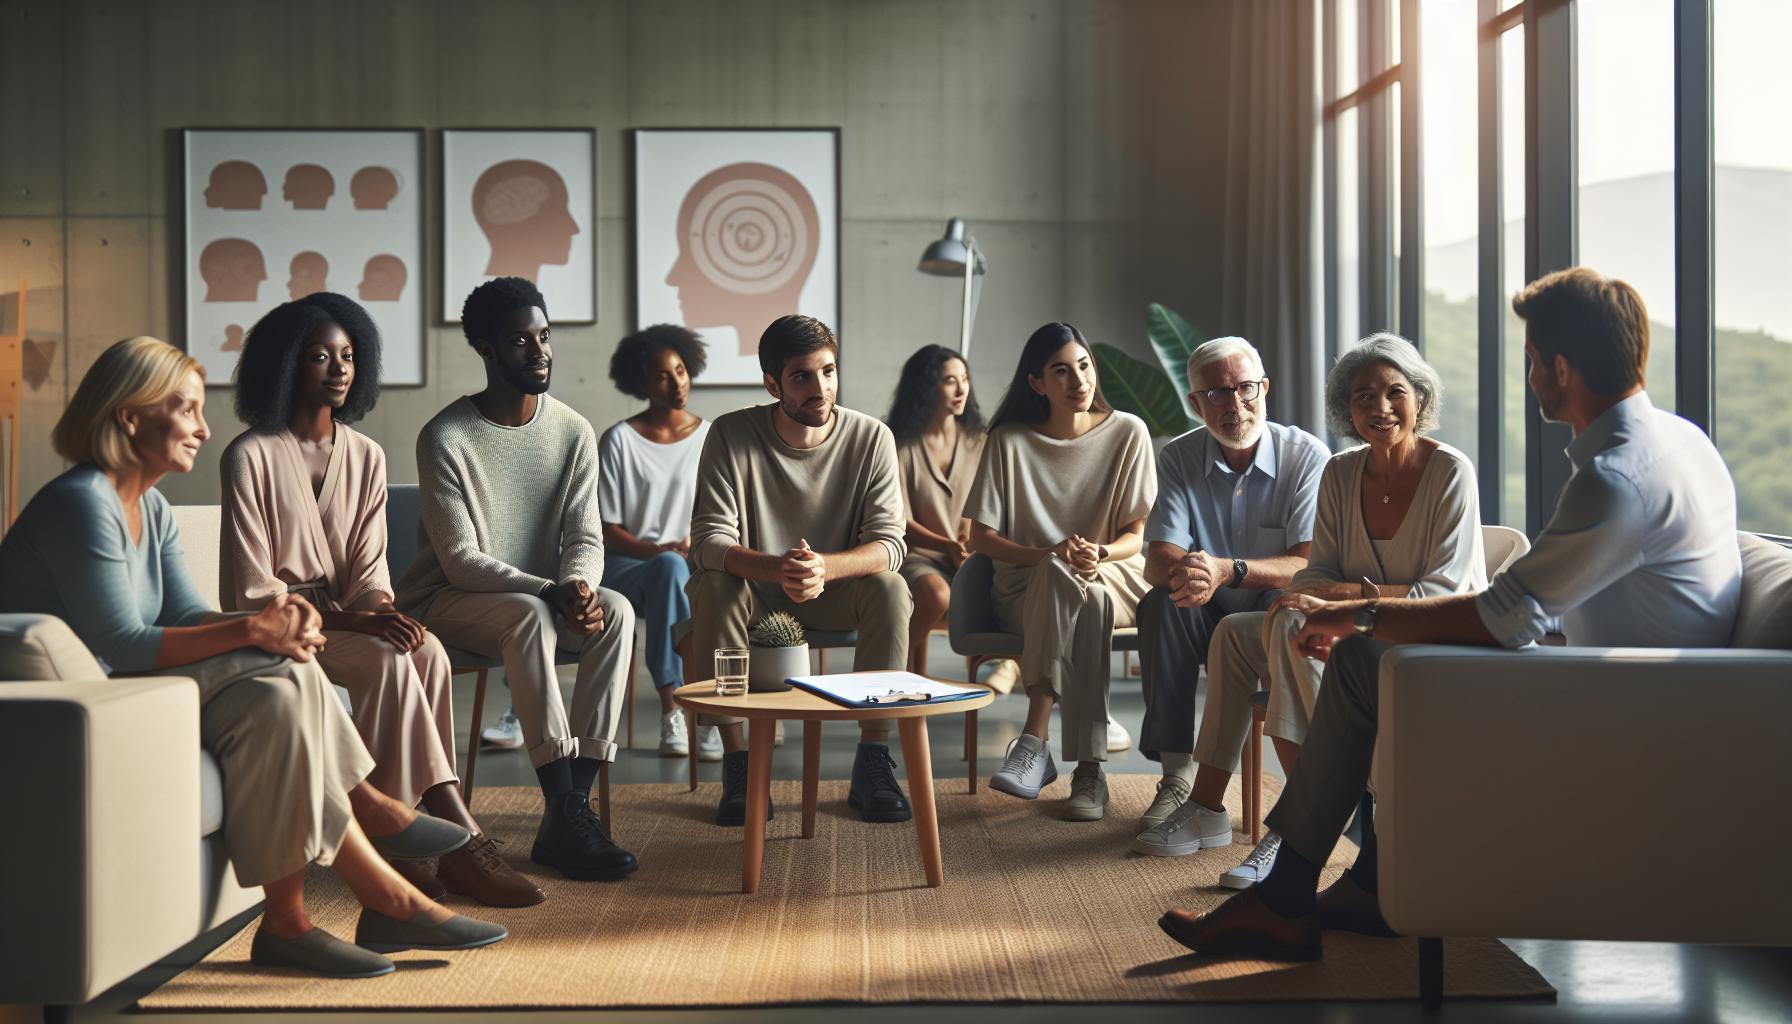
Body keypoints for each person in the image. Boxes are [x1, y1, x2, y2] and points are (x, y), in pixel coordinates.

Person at [1159, 267, 1742, 960]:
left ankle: (1286, 898)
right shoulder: (1679, 440)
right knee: (1361, 661)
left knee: (1358, 661)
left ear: (1560, 369)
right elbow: (1537, 604)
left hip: (1618, 705)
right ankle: (1367, 883)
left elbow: (1508, 617)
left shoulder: (1616, 477)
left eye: (1530, 361)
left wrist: (1362, 616)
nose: (1529, 376)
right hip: (1645, 682)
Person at [0, 337, 505, 979]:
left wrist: (271, 627)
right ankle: (378, 856)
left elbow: (183, 617)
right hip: (89, 705)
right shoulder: (82, 503)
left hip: (132, 691)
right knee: (280, 676)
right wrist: (256, 631)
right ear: (130, 416)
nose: (203, 428)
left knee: (284, 680)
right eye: (184, 409)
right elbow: (120, 643)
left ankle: (299, 920)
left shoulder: (149, 506)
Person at [219, 292, 543, 908]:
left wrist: (384, 614)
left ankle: (401, 838)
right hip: (283, 631)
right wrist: (355, 624)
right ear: (286, 364)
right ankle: (457, 833)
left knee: (429, 653)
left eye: (347, 355)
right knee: (389, 662)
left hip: (349, 618)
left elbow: (370, 568)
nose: (338, 368)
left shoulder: (366, 455)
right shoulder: (249, 457)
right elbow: (252, 592)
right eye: (319, 356)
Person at [1138, 333, 1485, 886]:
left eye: (1394, 392)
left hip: (1422, 635)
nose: (1379, 407)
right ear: (1346, 409)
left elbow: (1439, 594)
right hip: (1348, 628)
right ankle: (1206, 804)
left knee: (1293, 620)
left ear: (1420, 398)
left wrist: (1334, 598)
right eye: (1362, 396)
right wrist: (1320, 595)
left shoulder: (1449, 472)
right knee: (1236, 632)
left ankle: (1298, 828)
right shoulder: (1343, 472)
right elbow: (1318, 568)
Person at [395, 277, 638, 883]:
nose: (540, 351)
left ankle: (567, 808)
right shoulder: (445, 437)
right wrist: (550, 591)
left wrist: (579, 588)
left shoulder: (574, 431)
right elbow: (459, 560)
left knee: (618, 611)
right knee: (529, 614)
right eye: (520, 341)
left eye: (545, 335)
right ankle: (565, 809)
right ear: (485, 349)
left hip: (543, 600)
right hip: (449, 602)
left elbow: (585, 536)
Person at [683, 314, 915, 825]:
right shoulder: (730, 434)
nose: (820, 388)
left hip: (836, 592)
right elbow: (708, 542)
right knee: (716, 585)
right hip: (756, 595)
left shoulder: (872, 437)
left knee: (891, 589)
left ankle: (873, 760)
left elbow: (891, 544)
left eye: (828, 372)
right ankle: (739, 761)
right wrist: (778, 568)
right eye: (802, 377)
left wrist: (823, 568)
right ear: (772, 384)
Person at [1130, 336, 1328, 832]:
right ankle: (1177, 776)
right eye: (1217, 394)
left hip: (1267, 604)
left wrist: (1228, 569)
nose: (1234, 405)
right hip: (1206, 601)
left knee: (1288, 600)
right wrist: (1196, 573)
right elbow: (1160, 558)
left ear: (1264, 388)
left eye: (1245, 389)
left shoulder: (1306, 455)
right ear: (1195, 403)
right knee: (1163, 604)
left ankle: (1305, 800)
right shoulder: (1178, 456)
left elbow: (1306, 562)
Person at [968, 322, 1157, 821]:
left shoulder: (1128, 432)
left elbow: (1136, 537)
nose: (1079, 381)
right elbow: (979, 540)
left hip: (1115, 573)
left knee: (1085, 585)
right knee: (1075, 588)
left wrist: (1099, 552)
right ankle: (1090, 772)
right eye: (1061, 371)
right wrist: (1047, 552)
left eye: (1084, 366)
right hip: (1028, 587)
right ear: (1036, 383)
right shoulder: (1009, 442)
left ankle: (1034, 739)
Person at [597, 324, 714, 759]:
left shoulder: (711, 437)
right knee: (669, 569)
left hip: (693, 565)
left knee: (687, 574)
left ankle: (712, 712)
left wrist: (690, 546)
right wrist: (659, 551)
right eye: (663, 376)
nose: (677, 383)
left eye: (681, 371)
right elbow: (608, 529)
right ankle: (676, 711)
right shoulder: (619, 440)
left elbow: (726, 512)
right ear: (641, 382)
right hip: (629, 567)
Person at [883, 344, 1015, 686]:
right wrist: (947, 545)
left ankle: (1014, 667)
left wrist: (972, 543)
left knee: (1023, 586)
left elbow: (997, 503)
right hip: (920, 555)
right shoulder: (898, 445)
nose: (961, 389)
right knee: (936, 595)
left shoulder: (980, 441)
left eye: (964, 379)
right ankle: (892, 671)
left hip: (973, 552)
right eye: (948, 381)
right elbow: (898, 521)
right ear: (927, 387)